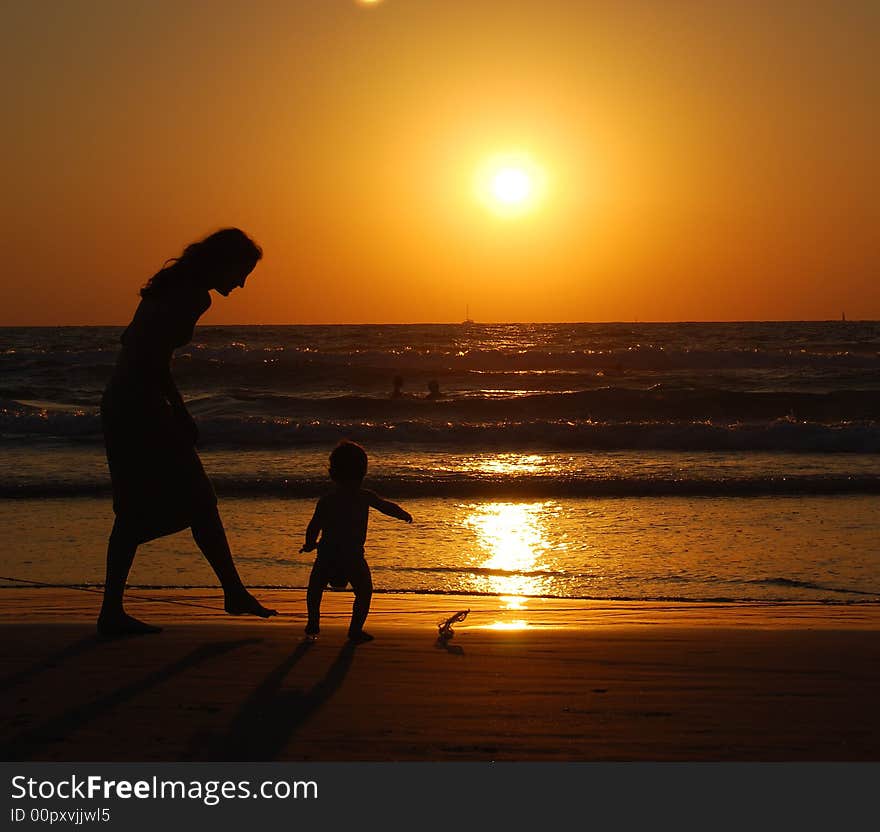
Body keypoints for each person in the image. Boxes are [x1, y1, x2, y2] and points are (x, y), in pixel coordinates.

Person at [98, 228, 277, 636]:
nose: (242, 282)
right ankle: (230, 592)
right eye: (242, 271)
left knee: (169, 505)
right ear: (224, 263)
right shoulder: (194, 296)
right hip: (138, 409)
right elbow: (150, 358)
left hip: (123, 403)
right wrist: (177, 411)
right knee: (195, 500)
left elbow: (136, 345)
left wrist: (175, 408)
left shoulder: (174, 287)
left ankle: (116, 609)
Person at [299, 441, 412, 643]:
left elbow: (314, 526)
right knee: (364, 591)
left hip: (328, 555)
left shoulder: (327, 500)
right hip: (351, 555)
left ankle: (313, 621)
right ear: (363, 473)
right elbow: (385, 506)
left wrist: (309, 544)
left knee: (315, 588)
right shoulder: (363, 496)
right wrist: (401, 514)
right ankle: (354, 629)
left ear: (332, 473)